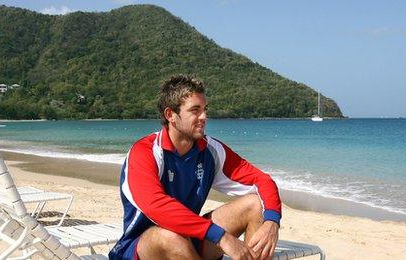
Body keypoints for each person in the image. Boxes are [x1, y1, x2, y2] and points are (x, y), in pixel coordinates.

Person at [109, 75, 282, 260]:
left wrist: (272, 221)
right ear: (170, 115)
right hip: (139, 249)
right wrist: (221, 237)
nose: (204, 117)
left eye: (205, 109)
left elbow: (262, 180)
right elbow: (156, 206)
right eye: (195, 110)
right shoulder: (145, 152)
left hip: (190, 239)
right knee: (169, 237)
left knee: (255, 205)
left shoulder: (210, 151)